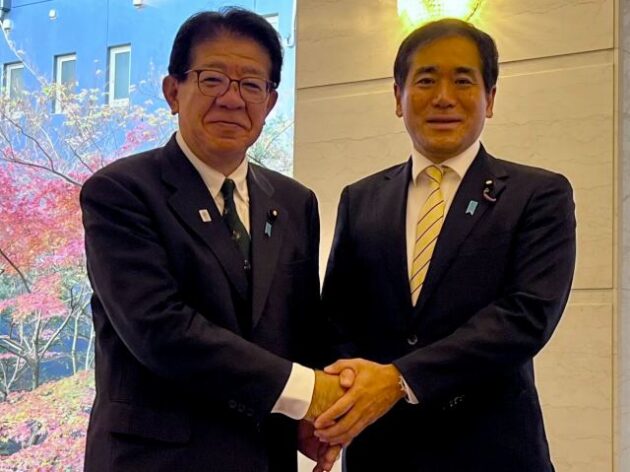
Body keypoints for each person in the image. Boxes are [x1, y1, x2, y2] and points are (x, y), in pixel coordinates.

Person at [81, 8, 344, 472]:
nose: (232, 99)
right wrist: (308, 391)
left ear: (270, 102)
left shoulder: (294, 201)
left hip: (265, 456)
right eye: (212, 79)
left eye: (251, 84)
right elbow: (160, 330)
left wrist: (320, 414)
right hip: (155, 460)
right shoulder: (121, 192)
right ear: (173, 91)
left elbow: (302, 325)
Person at [314, 18, 576, 471]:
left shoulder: (537, 195)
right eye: (426, 80)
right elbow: (338, 316)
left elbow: (526, 317)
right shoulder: (361, 198)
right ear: (397, 97)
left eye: (463, 80)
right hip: (381, 450)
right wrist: (343, 392)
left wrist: (399, 379)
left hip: (493, 449)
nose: (443, 97)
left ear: (490, 98)